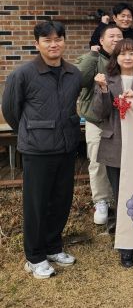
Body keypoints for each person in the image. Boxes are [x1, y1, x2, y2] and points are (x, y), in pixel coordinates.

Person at [2, 21, 82, 279]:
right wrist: (31, 131)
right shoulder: (23, 74)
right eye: (47, 40)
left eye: (58, 39)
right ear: (37, 44)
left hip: (67, 146)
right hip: (37, 150)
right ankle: (34, 256)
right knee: (37, 204)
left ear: (64, 41)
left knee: (61, 200)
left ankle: (53, 247)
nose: (54, 44)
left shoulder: (73, 73)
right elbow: (11, 111)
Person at [92, 39, 133, 268]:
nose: (127, 57)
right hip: (115, 145)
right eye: (122, 54)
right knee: (121, 196)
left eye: (132, 53)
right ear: (116, 58)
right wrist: (103, 91)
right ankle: (126, 245)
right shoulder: (106, 80)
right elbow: (99, 113)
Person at [76, 24, 123, 227]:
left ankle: (121, 198)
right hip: (97, 120)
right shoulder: (93, 59)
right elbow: (79, 79)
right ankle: (101, 201)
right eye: (111, 36)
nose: (116, 39)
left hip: (122, 119)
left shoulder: (129, 56)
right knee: (97, 161)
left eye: (119, 36)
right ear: (101, 41)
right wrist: (91, 56)